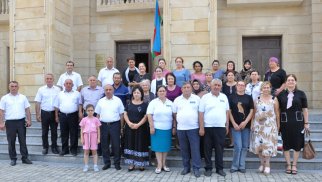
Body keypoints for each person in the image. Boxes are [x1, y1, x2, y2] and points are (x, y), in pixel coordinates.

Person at [277, 74, 309, 175]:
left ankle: (294, 164)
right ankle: (288, 164)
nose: (290, 82)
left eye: (292, 80)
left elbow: (305, 109)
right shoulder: (281, 95)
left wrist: (306, 123)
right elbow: (277, 110)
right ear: (286, 83)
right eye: (288, 80)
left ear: (295, 82)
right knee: (286, 143)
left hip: (298, 122)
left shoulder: (301, 94)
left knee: (297, 143)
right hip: (285, 122)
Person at [199, 78, 229, 177]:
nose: (216, 87)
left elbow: (227, 112)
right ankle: (208, 168)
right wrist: (201, 127)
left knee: (219, 149)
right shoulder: (205, 97)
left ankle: (219, 168)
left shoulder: (224, 97)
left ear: (221, 87)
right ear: (211, 86)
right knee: (207, 149)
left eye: (218, 85)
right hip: (208, 127)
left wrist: (227, 125)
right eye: (214, 85)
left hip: (220, 127)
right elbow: (201, 113)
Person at [249, 81, 280, 175]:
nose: (266, 89)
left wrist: (278, 126)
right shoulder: (257, 99)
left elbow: (277, 113)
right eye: (264, 87)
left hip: (270, 126)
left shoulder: (274, 99)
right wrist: (252, 124)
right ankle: (262, 164)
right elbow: (254, 113)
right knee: (259, 145)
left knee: (268, 146)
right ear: (261, 89)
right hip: (258, 126)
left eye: (268, 87)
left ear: (270, 89)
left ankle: (267, 165)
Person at [0, 81, 33, 166]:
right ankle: (13, 159)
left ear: (18, 87)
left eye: (15, 86)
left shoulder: (23, 97)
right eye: (12, 86)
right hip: (10, 122)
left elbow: (27, 109)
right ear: (9, 87)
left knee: (23, 141)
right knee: (11, 141)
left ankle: (25, 158)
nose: (14, 88)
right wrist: (1, 122)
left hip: (21, 122)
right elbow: (2, 111)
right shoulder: (4, 98)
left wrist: (29, 120)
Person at [173, 82, 202, 178]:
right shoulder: (177, 100)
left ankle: (196, 168)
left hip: (194, 128)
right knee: (184, 149)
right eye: (184, 87)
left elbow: (200, 113)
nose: (186, 89)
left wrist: (201, 127)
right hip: (181, 129)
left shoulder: (197, 99)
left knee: (195, 149)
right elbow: (174, 114)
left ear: (191, 88)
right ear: (181, 89)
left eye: (188, 87)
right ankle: (186, 167)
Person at [95, 84, 124, 170]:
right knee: (104, 145)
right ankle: (107, 163)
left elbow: (121, 115)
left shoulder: (118, 100)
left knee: (116, 145)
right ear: (104, 91)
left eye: (110, 89)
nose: (108, 91)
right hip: (103, 125)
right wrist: (97, 128)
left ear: (113, 90)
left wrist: (121, 127)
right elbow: (98, 115)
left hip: (115, 124)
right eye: (106, 90)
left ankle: (117, 163)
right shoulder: (101, 101)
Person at [147, 85, 175, 174]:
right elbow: (149, 115)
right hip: (156, 128)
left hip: (167, 128)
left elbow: (174, 116)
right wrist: (151, 126)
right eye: (160, 91)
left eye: (163, 91)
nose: (162, 92)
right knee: (158, 148)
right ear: (157, 92)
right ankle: (159, 165)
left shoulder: (170, 103)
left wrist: (174, 127)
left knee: (165, 147)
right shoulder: (153, 102)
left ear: (166, 92)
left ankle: (164, 165)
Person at [228, 81, 254, 173]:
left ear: (245, 87)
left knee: (244, 146)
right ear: (236, 86)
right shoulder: (231, 97)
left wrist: (245, 122)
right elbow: (229, 111)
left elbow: (251, 111)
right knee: (238, 146)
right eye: (239, 85)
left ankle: (242, 165)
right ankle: (235, 166)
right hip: (235, 125)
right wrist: (234, 123)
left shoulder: (249, 97)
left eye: (243, 85)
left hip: (245, 125)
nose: (241, 86)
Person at [54, 79, 83, 156]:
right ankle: (64, 149)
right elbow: (56, 106)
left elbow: (80, 104)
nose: (68, 84)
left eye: (70, 83)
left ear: (73, 85)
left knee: (74, 133)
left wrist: (80, 113)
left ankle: (73, 150)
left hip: (73, 115)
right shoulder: (60, 94)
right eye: (67, 83)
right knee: (64, 133)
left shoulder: (77, 94)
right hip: (63, 115)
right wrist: (56, 116)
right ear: (64, 84)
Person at [123, 86, 149, 171]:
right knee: (130, 144)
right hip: (130, 128)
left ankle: (141, 164)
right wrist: (129, 123)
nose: (136, 94)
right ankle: (131, 164)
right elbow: (125, 114)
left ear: (141, 94)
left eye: (138, 92)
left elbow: (146, 117)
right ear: (132, 94)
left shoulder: (145, 104)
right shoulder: (129, 103)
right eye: (135, 92)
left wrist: (138, 124)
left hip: (141, 128)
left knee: (140, 145)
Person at [35, 73, 61, 155]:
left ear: (53, 80)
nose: (49, 80)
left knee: (54, 132)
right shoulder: (41, 89)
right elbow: (37, 102)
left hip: (54, 113)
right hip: (44, 112)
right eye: (47, 78)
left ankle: (54, 147)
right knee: (44, 132)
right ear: (45, 80)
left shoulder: (58, 89)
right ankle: (45, 147)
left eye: (50, 78)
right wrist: (37, 114)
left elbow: (60, 102)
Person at [80, 104, 101, 172]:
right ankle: (86, 165)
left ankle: (95, 165)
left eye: (91, 110)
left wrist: (98, 138)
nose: (90, 112)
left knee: (94, 151)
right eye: (88, 110)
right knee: (86, 151)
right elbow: (82, 129)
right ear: (86, 111)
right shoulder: (84, 119)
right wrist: (82, 138)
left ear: (94, 111)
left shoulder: (96, 119)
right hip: (86, 136)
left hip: (94, 136)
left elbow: (98, 129)